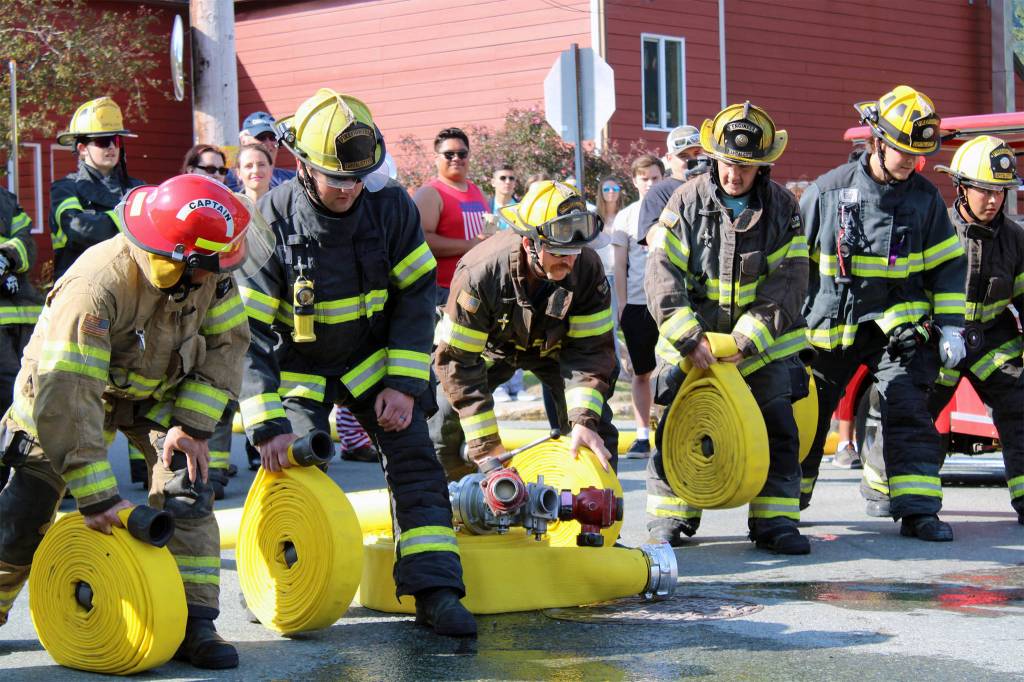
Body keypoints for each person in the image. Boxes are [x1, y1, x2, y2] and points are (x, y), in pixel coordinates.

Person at [236, 88, 474, 637]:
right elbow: (248, 334)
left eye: (357, 178)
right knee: (293, 468)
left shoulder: (390, 206)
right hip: (301, 369)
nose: (348, 190)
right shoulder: (269, 222)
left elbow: (417, 296)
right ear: (302, 167)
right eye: (336, 178)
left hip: (373, 363)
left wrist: (403, 383)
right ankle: (278, 580)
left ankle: (435, 591)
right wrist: (267, 427)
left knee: (416, 458)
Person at [0, 174, 264, 668]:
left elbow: (229, 345)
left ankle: (194, 623)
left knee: (188, 484)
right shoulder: (96, 286)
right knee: (25, 510)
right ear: (175, 262)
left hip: (154, 394)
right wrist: (98, 496)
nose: (220, 275)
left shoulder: (210, 270)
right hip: (66, 395)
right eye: (211, 267)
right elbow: (70, 396)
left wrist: (191, 426)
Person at [799, 85, 967, 542]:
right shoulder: (827, 193)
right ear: (876, 142)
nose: (912, 162)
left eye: (918, 155)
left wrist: (950, 326)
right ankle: (782, 509)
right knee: (806, 416)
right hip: (830, 329)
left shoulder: (925, 200)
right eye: (904, 152)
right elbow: (792, 265)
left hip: (897, 333)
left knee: (910, 409)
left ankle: (917, 511)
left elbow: (948, 265)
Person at [644, 102, 811, 554]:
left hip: (759, 345)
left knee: (777, 421)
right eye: (726, 163)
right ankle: (671, 517)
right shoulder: (685, 200)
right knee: (674, 423)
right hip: (690, 339)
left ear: (762, 165)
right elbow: (661, 274)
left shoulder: (782, 208)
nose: (733, 175)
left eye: (744, 166)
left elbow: (790, 280)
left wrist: (748, 340)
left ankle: (775, 521)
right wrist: (688, 338)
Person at [857, 135, 1024, 524]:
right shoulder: (935, 227)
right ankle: (881, 485)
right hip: (937, 336)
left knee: (1020, 408)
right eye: (984, 190)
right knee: (911, 408)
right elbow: (904, 285)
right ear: (962, 188)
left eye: (1000, 191)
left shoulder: (1016, 239)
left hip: (990, 341)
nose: (994, 200)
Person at [431, 180, 618, 478]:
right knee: (443, 428)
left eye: (576, 251)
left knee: (596, 431)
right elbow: (458, 362)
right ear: (530, 244)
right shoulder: (480, 274)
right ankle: (449, 513)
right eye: (558, 253)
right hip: (488, 352)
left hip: (554, 353)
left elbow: (591, 351)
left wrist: (583, 421)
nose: (569, 261)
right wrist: (486, 448)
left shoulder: (586, 267)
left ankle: (590, 518)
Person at [50, 97, 145, 279]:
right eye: (102, 141)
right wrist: (125, 219)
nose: (111, 147)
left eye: (115, 140)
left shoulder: (137, 188)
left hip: (130, 286)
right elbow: (79, 228)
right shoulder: (65, 189)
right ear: (82, 148)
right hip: (80, 284)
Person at [612, 154, 665, 458]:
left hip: (670, 304)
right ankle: (642, 434)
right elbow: (620, 266)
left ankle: (673, 429)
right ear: (634, 181)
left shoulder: (673, 209)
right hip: (636, 303)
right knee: (640, 372)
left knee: (675, 370)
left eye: (655, 178)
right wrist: (621, 304)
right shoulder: (626, 217)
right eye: (644, 178)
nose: (649, 184)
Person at [414, 128, 490, 305]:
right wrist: (470, 245)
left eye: (462, 154)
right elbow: (421, 241)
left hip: (480, 288)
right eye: (449, 154)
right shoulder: (430, 193)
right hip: (444, 291)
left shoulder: (476, 190)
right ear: (436, 159)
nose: (456, 158)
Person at [0, 191, 41, 490]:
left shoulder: (6, 198)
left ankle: (28, 479)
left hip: (22, 318)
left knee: (25, 397)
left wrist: (6, 258)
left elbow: (26, 243)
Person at [636, 124, 706, 245]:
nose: (692, 160)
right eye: (683, 156)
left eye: (696, 153)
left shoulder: (715, 185)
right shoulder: (658, 192)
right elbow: (652, 238)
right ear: (669, 158)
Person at [226, 111, 297, 192]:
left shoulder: (293, 179)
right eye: (261, 137)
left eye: (273, 137)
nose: (268, 143)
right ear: (243, 141)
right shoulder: (225, 179)